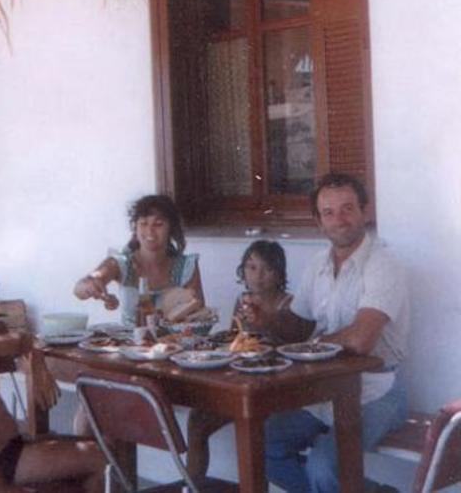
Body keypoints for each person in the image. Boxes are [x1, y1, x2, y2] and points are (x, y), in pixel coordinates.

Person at [242, 173, 409, 493]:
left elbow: (361, 340)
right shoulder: (318, 264)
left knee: (324, 466)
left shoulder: (383, 264)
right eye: (329, 213)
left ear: (365, 212)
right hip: (324, 390)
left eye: (348, 209)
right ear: (319, 222)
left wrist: (314, 344)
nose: (339, 220)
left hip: (378, 390)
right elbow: (298, 326)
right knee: (262, 445)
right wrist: (266, 320)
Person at [0, 269, 105, 493]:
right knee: (101, 459)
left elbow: (25, 340)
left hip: (12, 449)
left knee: (96, 451)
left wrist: (38, 367)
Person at [186, 240, 294, 485]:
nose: (258, 276)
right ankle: (193, 486)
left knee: (250, 427)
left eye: (267, 269)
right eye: (251, 267)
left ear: (279, 274)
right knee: (197, 419)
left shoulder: (288, 303)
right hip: (242, 381)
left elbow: (288, 344)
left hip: (274, 388)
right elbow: (234, 340)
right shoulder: (243, 300)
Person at [73, 194, 206, 326]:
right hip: (128, 339)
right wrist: (90, 286)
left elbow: (199, 315)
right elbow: (80, 289)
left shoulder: (186, 266)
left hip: (176, 339)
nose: (150, 231)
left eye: (158, 224)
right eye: (143, 223)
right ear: (135, 228)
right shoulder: (121, 262)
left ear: (171, 228)